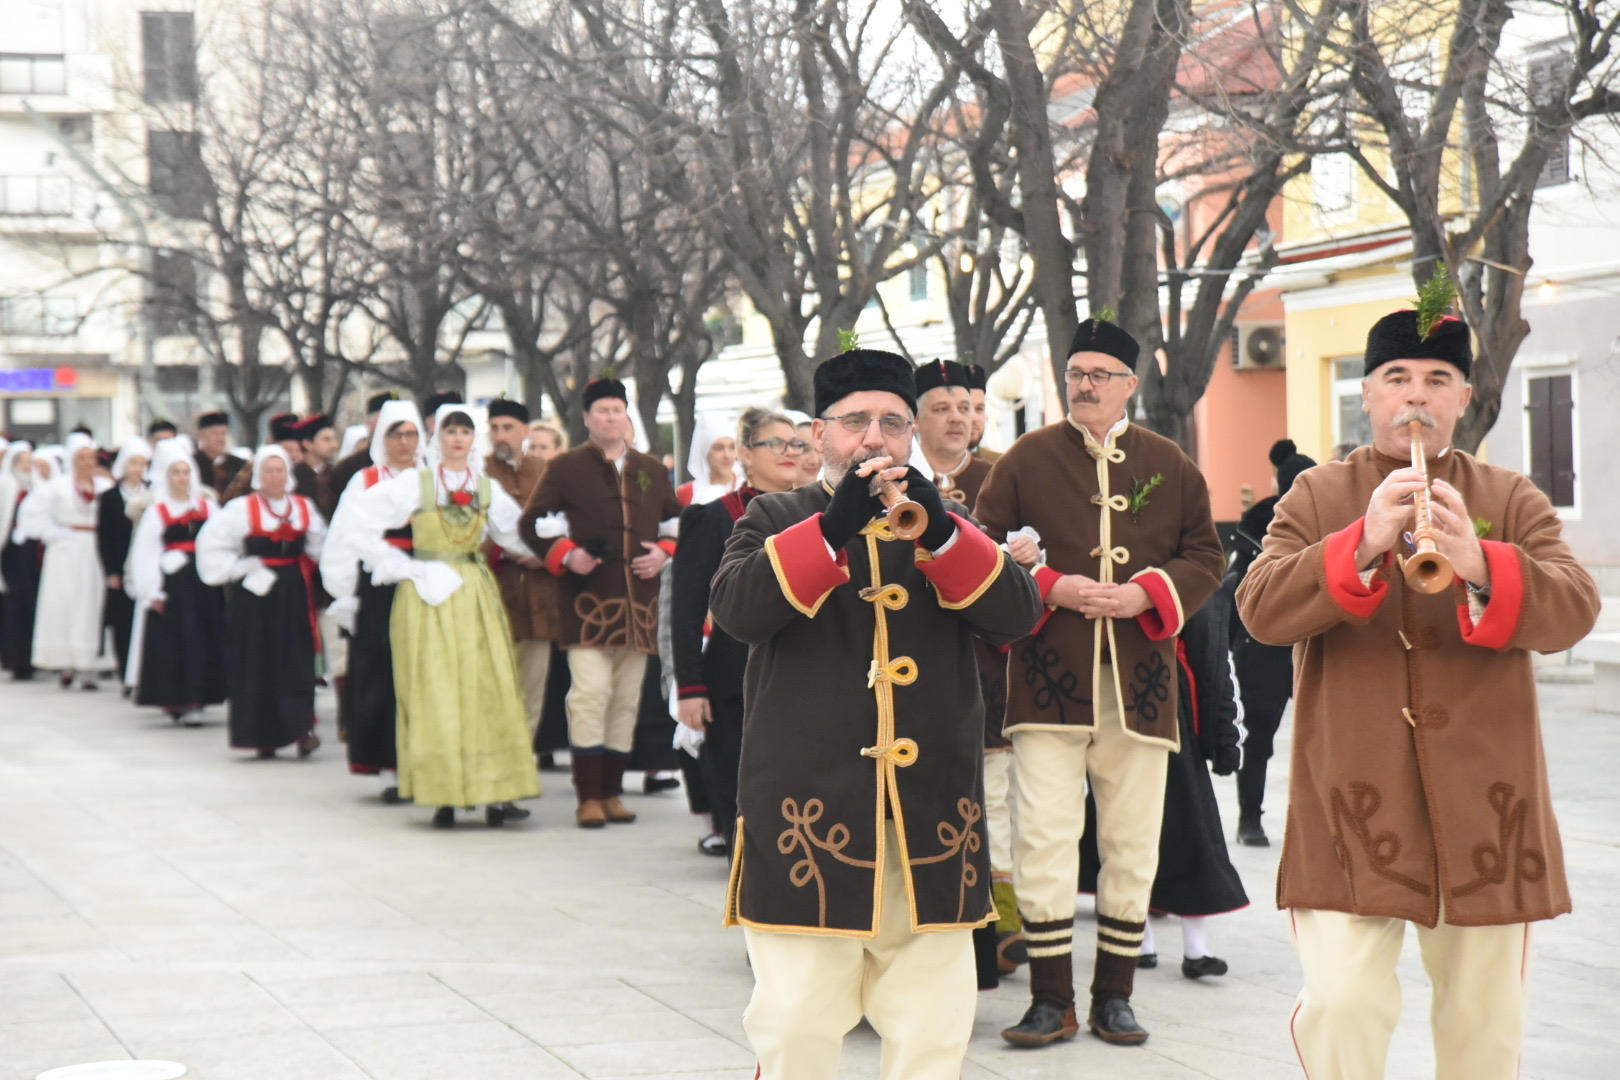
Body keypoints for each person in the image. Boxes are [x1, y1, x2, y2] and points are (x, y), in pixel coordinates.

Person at [1236, 305, 1600, 1080]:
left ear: (1464, 400)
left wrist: (1480, 562)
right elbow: (1260, 608)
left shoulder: (1512, 493)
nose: (1416, 398)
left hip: (1489, 810)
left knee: (1484, 1027)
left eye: (1438, 381)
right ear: (1365, 395)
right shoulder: (1314, 496)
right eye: (1396, 379)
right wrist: (1361, 542)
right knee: (1341, 1006)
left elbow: (1575, 607)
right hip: (1349, 804)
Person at [708, 347, 1044, 1080]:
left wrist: (942, 534)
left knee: (933, 1031)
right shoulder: (773, 515)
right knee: (795, 1023)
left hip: (931, 819)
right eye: (855, 421)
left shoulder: (947, 520)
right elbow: (737, 612)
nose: (874, 439)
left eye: (893, 423)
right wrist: (831, 529)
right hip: (808, 817)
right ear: (821, 433)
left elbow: (1018, 615)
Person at [974, 313, 1225, 1047]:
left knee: (1133, 840)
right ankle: (1051, 1000)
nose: (1084, 385)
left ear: (1129, 387)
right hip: (1047, 680)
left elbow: (1207, 556)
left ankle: (1114, 995)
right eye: (1076, 373)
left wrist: (1149, 590)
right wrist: (1051, 585)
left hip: (1142, 687)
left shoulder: (1170, 462)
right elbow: (986, 550)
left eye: (1099, 376)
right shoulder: (1024, 459)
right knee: (1044, 838)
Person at [344, 404, 542, 828]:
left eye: (466, 432)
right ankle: (444, 793)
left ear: (475, 440)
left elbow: (519, 536)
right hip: (429, 594)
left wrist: (562, 541)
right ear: (439, 438)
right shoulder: (418, 484)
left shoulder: (486, 488)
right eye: (450, 430)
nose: (458, 438)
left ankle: (497, 791)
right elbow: (358, 522)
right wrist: (405, 567)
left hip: (474, 593)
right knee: (437, 689)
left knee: (487, 688)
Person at [519, 377, 681, 829]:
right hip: (586, 605)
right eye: (602, 411)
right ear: (587, 418)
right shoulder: (567, 467)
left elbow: (674, 522)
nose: (612, 418)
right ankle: (587, 796)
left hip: (640, 607)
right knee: (589, 695)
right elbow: (532, 523)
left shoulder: (651, 467)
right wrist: (568, 555)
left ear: (627, 415)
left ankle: (612, 793)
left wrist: (663, 554)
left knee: (626, 700)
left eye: (618, 409)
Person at [912, 359, 1022, 985]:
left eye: (968, 408)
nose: (960, 420)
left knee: (996, 803)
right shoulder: (891, 479)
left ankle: (1000, 930)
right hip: (914, 671)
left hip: (992, 668)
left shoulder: (1001, 474)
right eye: (943, 408)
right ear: (916, 417)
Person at [1078, 596, 1248, 977]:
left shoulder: (1201, 593)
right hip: (1127, 719)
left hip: (1180, 731)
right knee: (1127, 835)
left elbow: (1217, 666)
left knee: (1195, 838)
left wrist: (1225, 739)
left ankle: (1196, 948)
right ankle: (1139, 939)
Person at [672, 406, 804, 857]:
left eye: (796, 443)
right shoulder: (713, 517)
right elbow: (686, 609)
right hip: (732, 677)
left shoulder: (816, 513)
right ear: (746, 453)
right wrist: (688, 686)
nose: (789, 452)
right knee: (739, 789)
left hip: (803, 671)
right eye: (776, 443)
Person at [320, 400, 425, 799]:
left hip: (421, 578)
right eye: (396, 434)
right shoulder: (365, 480)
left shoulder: (431, 479)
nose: (404, 442)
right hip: (379, 584)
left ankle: (422, 760)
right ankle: (387, 768)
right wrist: (345, 593)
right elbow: (343, 538)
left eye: (411, 434)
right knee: (382, 672)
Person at [197, 446, 326, 759]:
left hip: (293, 593)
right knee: (256, 661)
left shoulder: (303, 507)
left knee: (296, 660)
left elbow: (321, 545)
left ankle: (301, 729)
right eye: (268, 470)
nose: (274, 476)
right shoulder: (242, 509)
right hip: (254, 599)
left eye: (279, 469)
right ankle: (261, 734)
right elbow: (210, 543)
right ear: (258, 476)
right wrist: (238, 567)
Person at [1226, 437, 1317, 846]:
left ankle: (1251, 820)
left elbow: (1236, 583)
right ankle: (1255, 819)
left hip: (1263, 643)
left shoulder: (1263, 515)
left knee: (1260, 736)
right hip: (1284, 641)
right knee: (1301, 736)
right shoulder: (1267, 519)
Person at [127, 439, 226, 723]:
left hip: (203, 583)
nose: (181, 479)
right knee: (181, 641)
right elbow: (144, 552)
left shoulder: (207, 507)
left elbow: (220, 540)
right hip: (174, 585)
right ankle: (180, 699)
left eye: (185, 472)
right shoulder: (158, 512)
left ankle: (202, 695)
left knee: (205, 637)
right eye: (175, 473)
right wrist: (152, 589)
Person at [483, 397, 559, 757]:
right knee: (492, 689)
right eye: (495, 427)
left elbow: (564, 523)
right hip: (493, 595)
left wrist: (547, 555)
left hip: (540, 600)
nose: (501, 435)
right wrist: (504, 550)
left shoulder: (545, 471)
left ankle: (519, 769)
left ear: (526, 431)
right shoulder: (478, 471)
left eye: (508, 428)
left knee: (532, 690)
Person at [20, 435, 113, 689]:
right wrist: (54, 533)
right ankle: (66, 662)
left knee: (91, 604)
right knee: (64, 603)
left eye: (90, 458)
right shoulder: (57, 487)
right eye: (80, 458)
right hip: (64, 552)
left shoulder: (104, 486)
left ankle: (90, 664)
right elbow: (30, 514)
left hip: (94, 551)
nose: (86, 463)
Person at [97, 438, 152, 693]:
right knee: (122, 622)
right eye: (134, 463)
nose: (138, 468)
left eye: (142, 463)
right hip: (120, 565)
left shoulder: (153, 492)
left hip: (147, 566)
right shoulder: (109, 497)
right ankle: (125, 673)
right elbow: (104, 536)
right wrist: (111, 571)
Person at [0, 443, 42, 680]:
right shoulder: (6, 485)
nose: (26, 466)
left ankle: (32, 657)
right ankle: (15, 659)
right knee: (14, 604)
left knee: (32, 602)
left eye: (29, 461)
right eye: (22, 461)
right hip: (11, 552)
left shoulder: (37, 486)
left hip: (32, 550)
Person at [326, 391, 397, 501]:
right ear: (369, 423)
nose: (392, 429)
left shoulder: (418, 464)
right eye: (385, 420)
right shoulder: (347, 469)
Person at [678, 413, 741, 506]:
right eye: (719, 448)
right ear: (705, 452)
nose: (727, 455)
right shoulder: (687, 493)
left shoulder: (747, 487)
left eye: (732, 447)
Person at [294, 414, 340, 521]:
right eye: (326, 439)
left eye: (334, 439)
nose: (334, 445)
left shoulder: (338, 473)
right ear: (307, 444)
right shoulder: (294, 478)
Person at [193, 411, 246, 495]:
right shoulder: (192, 464)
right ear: (201, 434)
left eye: (223, 433)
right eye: (215, 433)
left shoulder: (240, 465)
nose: (220, 439)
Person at [964, 363, 1001, 463]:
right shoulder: (925, 469)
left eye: (979, 409)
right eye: (965, 408)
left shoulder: (1002, 464)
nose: (974, 418)